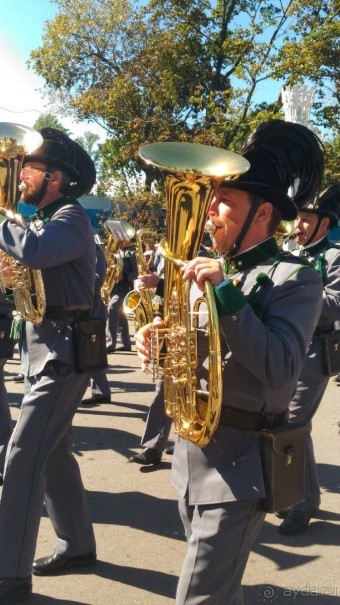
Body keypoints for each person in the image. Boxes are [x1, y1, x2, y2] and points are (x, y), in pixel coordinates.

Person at [136, 119, 325, 605]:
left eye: (224, 203)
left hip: (242, 466)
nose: (210, 212)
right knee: (220, 592)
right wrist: (159, 343)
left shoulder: (294, 278)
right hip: (192, 457)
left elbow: (281, 367)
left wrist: (223, 292)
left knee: (197, 597)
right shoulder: (208, 270)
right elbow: (197, 352)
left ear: (262, 213)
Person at [0, 128, 98, 602]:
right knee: (54, 455)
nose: (22, 178)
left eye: (30, 169)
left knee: (21, 458)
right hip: (44, 352)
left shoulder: (72, 217)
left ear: (55, 177)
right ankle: (77, 544)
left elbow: (36, 253)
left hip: (64, 354)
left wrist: (1, 212)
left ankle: (9, 570)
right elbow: (28, 271)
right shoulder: (43, 218)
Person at [278, 184, 340, 535]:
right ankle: (296, 495)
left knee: (293, 424)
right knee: (287, 424)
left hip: (315, 352)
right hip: (285, 347)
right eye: (297, 218)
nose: (297, 225)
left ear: (325, 223)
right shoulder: (288, 254)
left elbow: (338, 303)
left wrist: (300, 293)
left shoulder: (335, 257)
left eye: (305, 219)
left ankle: (303, 502)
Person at [82, 243, 111, 405]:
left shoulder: (94, 249)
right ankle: (101, 391)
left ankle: (102, 392)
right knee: (89, 353)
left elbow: (98, 281)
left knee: (92, 353)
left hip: (93, 310)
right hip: (84, 309)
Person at [106, 239, 138, 353]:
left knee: (112, 308)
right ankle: (126, 343)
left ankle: (110, 343)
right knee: (119, 314)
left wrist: (123, 276)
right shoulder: (115, 251)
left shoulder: (132, 253)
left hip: (124, 287)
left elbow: (136, 272)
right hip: (113, 287)